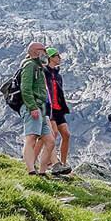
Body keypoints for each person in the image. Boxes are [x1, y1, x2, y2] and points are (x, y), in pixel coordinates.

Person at [19, 41, 56, 176]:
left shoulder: (38, 67)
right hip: (32, 107)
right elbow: (26, 88)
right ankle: (31, 171)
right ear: (35, 51)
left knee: (50, 141)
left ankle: (42, 171)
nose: (46, 53)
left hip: (40, 108)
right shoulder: (29, 66)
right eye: (43, 50)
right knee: (31, 137)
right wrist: (32, 107)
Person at [44, 47, 72, 175]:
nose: (59, 58)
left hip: (58, 108)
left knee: (66, 134)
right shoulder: (44, 72)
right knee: (53, 133)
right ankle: (51, 162)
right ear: (51, 57)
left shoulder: (58, 75)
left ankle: (63, 163)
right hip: (49, 109)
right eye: (57, 56)